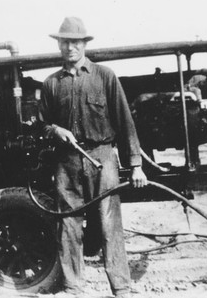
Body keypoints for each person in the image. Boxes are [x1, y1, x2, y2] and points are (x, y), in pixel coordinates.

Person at [39, 17, 148, 298]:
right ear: (59, 45)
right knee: (68, 224)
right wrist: (55, 130)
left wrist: (135, 165)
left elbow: (125, 122)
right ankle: (73, 287)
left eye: (75, 42)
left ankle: (121, 288)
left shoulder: (104, 76)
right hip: (67, 162)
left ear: (84, 44)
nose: (70, 47)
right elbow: (43, 124)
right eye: (65, 42)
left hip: (102, 157)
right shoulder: (51, 84)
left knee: (109, 223)